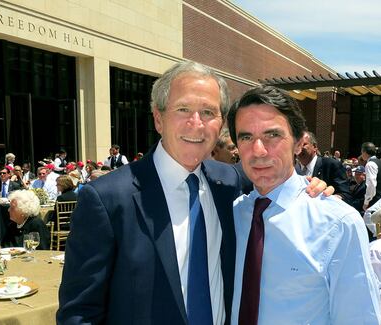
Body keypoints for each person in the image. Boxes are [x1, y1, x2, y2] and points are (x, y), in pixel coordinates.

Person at [57, 61, 331, 324]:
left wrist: (313, 191)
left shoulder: (229, 183)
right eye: (183, 109)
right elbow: (79, 313)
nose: (196, 123)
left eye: (208, 112)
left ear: (221, 124)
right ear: (158, 118)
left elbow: (277, 183)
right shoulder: (106, 199)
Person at [227, 85, 380, 324]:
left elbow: (358, 318)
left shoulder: (338, 223)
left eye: (272, 135)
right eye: (246, 137)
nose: (258, 150)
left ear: (299, 143)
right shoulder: (231, 215)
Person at [296, 130, 351, 203]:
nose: (299, 148)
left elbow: (346, 195)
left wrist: (331, 199)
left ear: (315, 147)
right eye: (296, 145)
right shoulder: (292, 169)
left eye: (303, 144)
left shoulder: (331, 165)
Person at [362, 142, 381, 211]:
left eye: (361, 152)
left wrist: (366, 202)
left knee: (369, 221)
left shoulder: (370, 164)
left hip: (374, 202)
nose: (361, 154)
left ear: (365, 152)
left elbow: (371, 185)